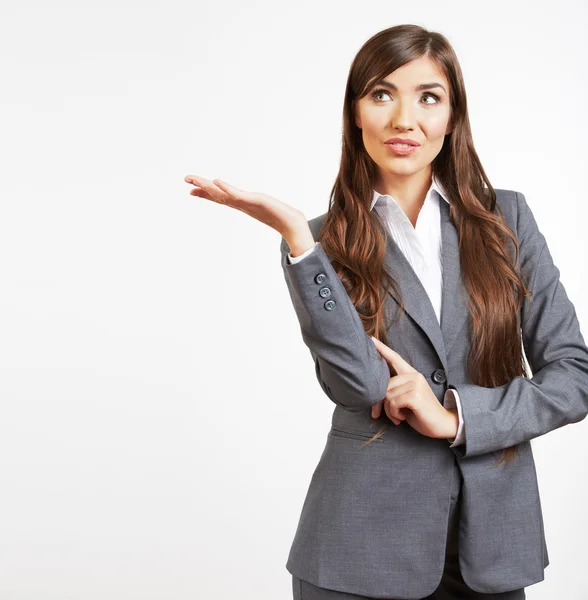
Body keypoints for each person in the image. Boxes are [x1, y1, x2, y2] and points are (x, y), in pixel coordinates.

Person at [184, 24, 588, 600]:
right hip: (359, 549)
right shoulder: (322, 245)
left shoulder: (508, 222)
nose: (405, 119)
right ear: (355, 113)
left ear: (452, 117)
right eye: (381, 94)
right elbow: (357, 384)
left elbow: (574, 376)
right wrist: (300, 241)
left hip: (492, 549)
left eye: (429, 97)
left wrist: (457, 416)